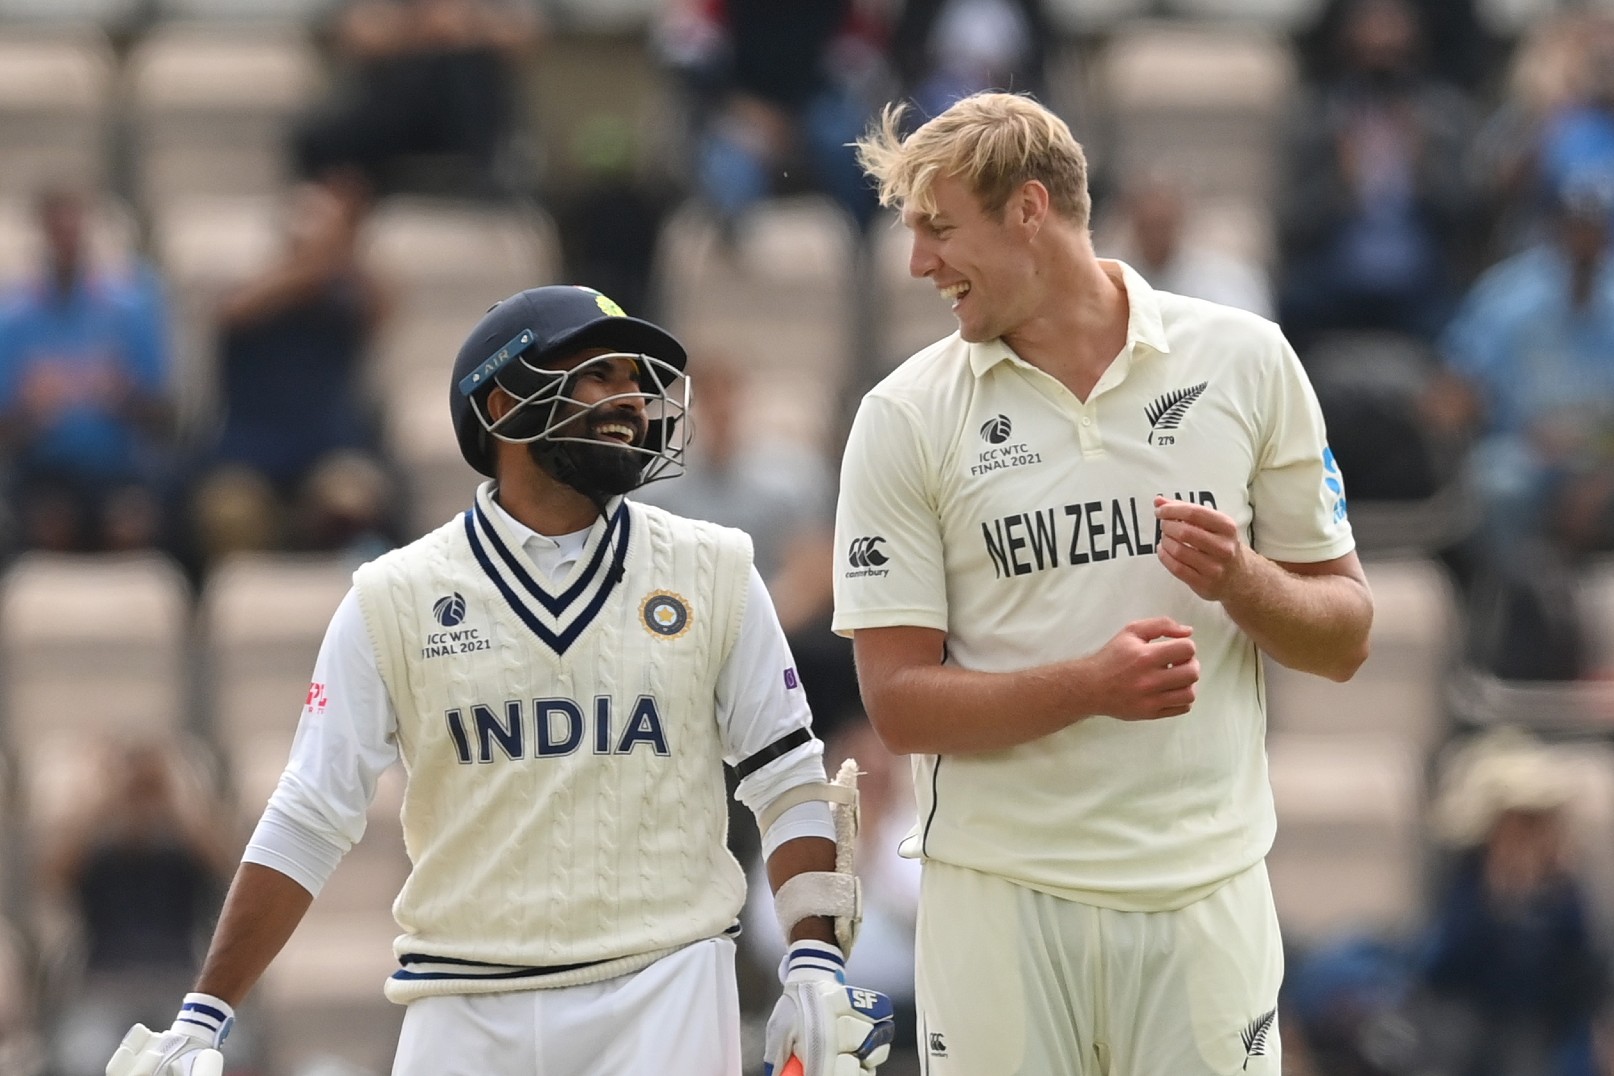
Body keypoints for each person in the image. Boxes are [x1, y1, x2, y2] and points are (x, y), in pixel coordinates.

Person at [105, 285, 893, 1076]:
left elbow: (788, 779)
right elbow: (309, 815)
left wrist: (812, 967)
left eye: (637, 379)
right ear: (503, 401)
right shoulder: (393, 597)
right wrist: (203, 1017)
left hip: (668, 986)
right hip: (462, 1000)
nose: (632, 400)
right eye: (599, 374)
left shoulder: (717, 569)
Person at [837, 92, 1375, 1074]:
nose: (918, 264)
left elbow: (1345, 637)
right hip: (997, 899)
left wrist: (1243, 580)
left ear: (1028, 209)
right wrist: (1091, 686)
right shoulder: (902, 416)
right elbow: (899, 705)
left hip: (1203, 895)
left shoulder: (1247, 360)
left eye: (939, 229)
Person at [0, 186, 175, 554]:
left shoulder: (132, 309)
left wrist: (123, 394)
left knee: (131, 522)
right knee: (51, 523)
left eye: (75, 228)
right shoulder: (13, 318)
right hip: (42, 473)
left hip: (120, 470)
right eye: (57, 230)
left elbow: (165, 419)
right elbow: (6, 432)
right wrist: (33, 410)